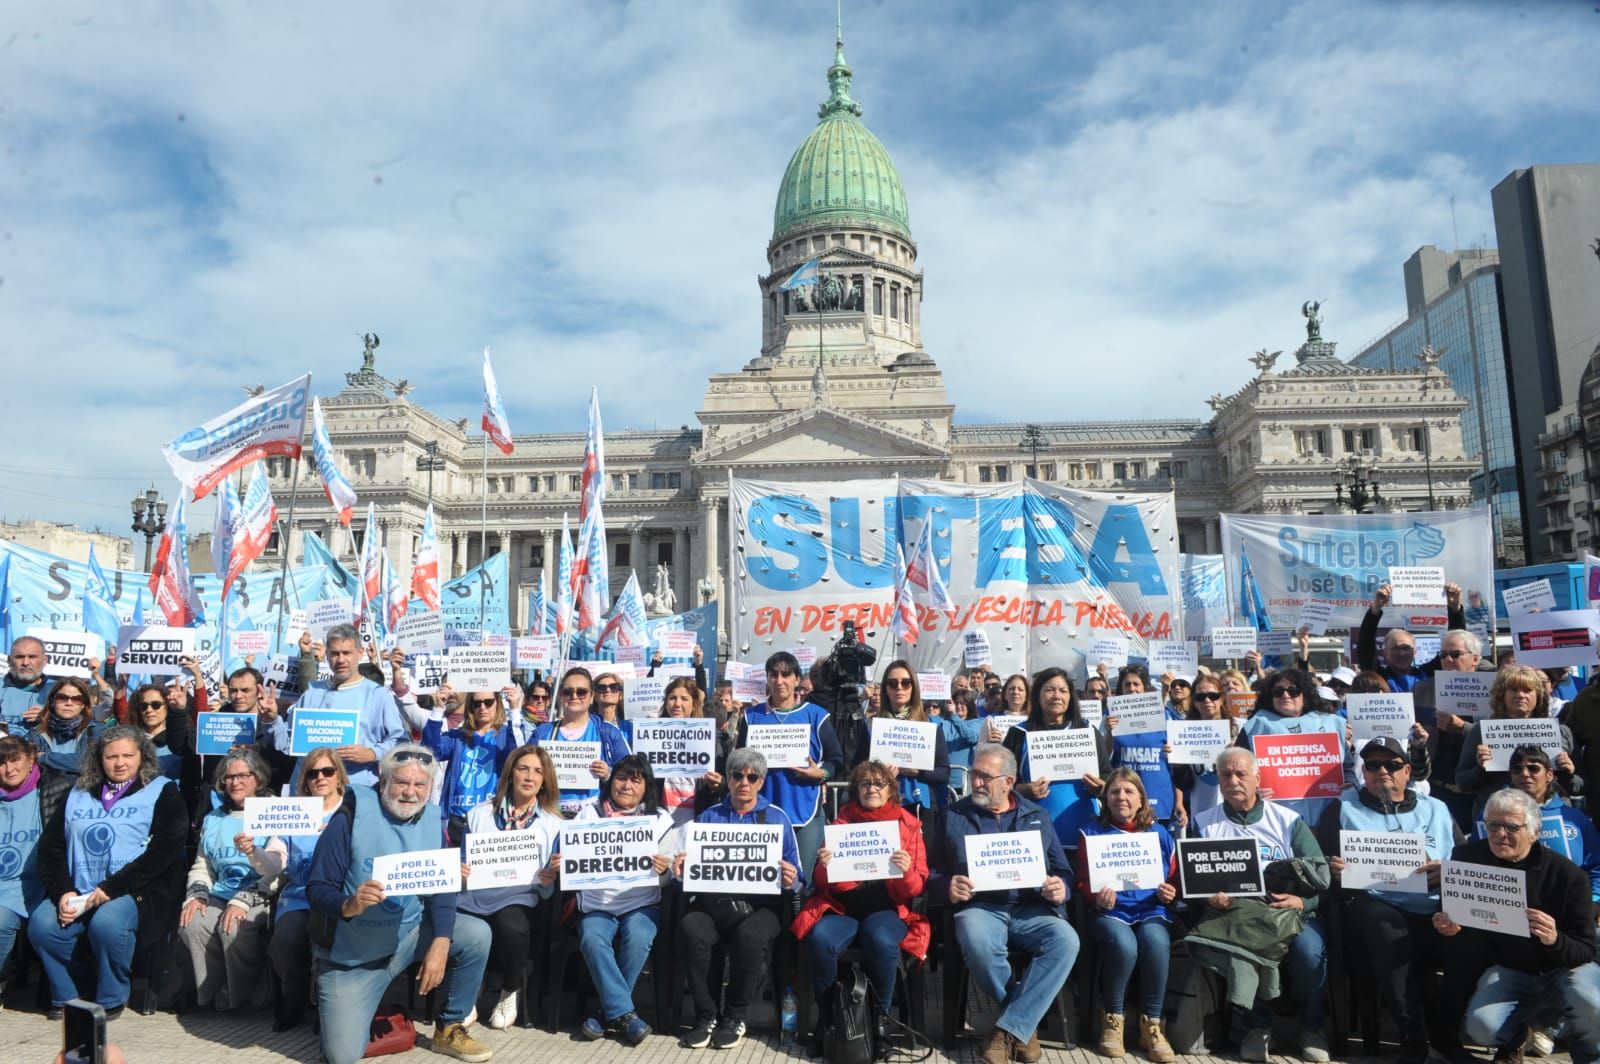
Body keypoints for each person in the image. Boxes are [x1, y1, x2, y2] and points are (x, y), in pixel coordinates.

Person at [306, 743, 493, 1064]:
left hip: (406, 936)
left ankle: (449, 1027)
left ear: (430, 787)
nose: (410, 792)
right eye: (402, 782)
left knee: (476, 934)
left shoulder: (434, 820)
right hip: (350, 957)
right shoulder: (349, 817)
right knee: (341, 1056)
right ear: (384, 780)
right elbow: (317, 887)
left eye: (420, 785)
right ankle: (340, 1011)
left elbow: (444, 889)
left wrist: (441, 942)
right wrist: (348, 905)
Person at [929, 742, 1078, 1064]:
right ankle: (1023, 1026)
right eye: (973, 775)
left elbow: (1063, 870)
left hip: (1032, 908)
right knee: (976, 939)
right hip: (980, 907)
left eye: (985, 776)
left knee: (1066, 940)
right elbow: (933, 870)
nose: (976, 782)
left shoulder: (1037, 815)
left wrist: (1060, 887)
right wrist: (946, 886)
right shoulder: (953, 815)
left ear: (1008, 782)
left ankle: (1006, 1031)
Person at [1315, 736, 1459, 1064]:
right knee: (1386, 925)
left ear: (1408, 771)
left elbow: (1466, 858)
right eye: (1373, 765)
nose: (1383, 771)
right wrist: (1332, 868)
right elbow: (1320, 864)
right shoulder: (1342, 808)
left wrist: (1448, 870)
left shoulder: (1436, 809)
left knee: (1469, 931)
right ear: (1363, 772)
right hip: (1373, 904)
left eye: (1392, 765)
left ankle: (1448, 1034)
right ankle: (1412, 1035)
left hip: (1434, 903)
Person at [28, 726, 188, 1017]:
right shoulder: (76, 792)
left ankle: (111, 995)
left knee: (108, 923)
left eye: (128, 755)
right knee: (43, 925)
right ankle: (72, 993)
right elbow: (51, 847)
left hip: (134, 890)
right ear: (98, 759)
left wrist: (111, 888)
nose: (120, 763)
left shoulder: (162, 789)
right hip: (78, 887)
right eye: (111, 756)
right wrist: (63, 890)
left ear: (142, 756)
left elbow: (165, 849)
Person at [1432, 787, 1600, 1063]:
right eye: (1493, 825)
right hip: (1508, 970)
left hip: (1562, 968)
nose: (1499, 834)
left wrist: (1554, 939)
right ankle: (1518, 1036)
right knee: (1482, 1028)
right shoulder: (1467, 858)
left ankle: (1590, 1056)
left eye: (1511, 826)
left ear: (1534, 832)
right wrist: (1446, 924)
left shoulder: (1568, 876)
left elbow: (1585, 950)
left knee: (1591, 1001)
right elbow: (1451, 912)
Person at [1187, 747, 1331, 1062]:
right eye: (1226, 774)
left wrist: (1302, 902)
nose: (1233, 780)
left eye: (1241, 773)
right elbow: (1193, 883)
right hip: (1237, 914)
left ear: (1257, 778)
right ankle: (1257, 1028)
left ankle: (1312, 1028)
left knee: (1310, 953)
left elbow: (1322, 877)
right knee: (1243, 948)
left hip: (1289, 912)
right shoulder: (1203, 823)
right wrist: (1208, 896)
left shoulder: (1288, 821)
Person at [792, 759, 929, 1048]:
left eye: (879, 783)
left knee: (879, 939)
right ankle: (829, 1020)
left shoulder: (908, 824)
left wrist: (905, 871)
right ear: (856, 789)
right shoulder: (841, 823)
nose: (872, 789)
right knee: (819, 938)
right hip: (843, 908)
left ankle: (880, 1023)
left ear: (890, 790)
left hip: (888, 909)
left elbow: (917, 887)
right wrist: (824, 866)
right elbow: (822, 884)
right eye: (865, 783)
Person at [674, 747, 803, 1051]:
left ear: (761, 782)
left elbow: (799, 876)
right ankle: (706, 1016)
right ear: (728, 780)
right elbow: (689, 874)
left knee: (750, 935)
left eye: (752, 776)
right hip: (715, 903)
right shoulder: (709, 817)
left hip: (761, 907)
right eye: (737, 775)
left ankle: (734, 1016)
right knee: (693, 927)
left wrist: (791, 878)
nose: (744, 782)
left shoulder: (776, 818)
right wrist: (681, 871)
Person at [569, 754, 676, 1044]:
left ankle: (607, 1013)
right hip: (597, 905)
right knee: (592, 937)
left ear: (646, 787)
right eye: (621, 778)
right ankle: (624, 1014)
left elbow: (668, 878)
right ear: (610, 781)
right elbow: (570, 863)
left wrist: (663, 870)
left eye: (635, 780)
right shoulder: (588, 814)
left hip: (641, 903)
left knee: (639, 936)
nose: (626, 786)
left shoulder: (661, 820)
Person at [455, 744, 563, 1031]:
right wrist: (461, 870)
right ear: (510, 773)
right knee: (462, 926)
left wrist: (548, 881)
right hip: (474, 897)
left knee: (510, 924)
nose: (529, 776)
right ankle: (467, 993)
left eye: (538, 771)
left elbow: (549, 891)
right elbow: (462, 859)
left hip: (521, 898)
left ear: (545, 780)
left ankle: (510, 989)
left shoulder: (554, 825)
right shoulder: (479, 814)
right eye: (523, 768)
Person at [1076, 768, 1177, 1063]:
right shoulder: (1091, 833)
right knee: (1124, 945)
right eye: (1115, 792)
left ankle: (1152, 1025)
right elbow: (1082, 880)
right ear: (1105, 798)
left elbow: (1174, 877)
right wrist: (1096, 896)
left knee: (1156, 942)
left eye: (1129, 792)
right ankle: (1113, 1018)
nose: (1122, 797)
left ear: (1141, 799)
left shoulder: (1159, 833)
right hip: (1110, 912)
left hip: (1151, 910)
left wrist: (1171, 891)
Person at [179, 749, 285, 1010]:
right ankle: (212, 991)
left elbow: (279, 870)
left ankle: (245, 995)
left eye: (243, 776)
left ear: (258, 779)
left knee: (233, 926)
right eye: (229, 777)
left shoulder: (275, 812)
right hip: (219, 891)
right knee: (192, 923)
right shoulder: (214, 818)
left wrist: (244, 900)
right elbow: (202, 864)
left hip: (261, 891)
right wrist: (197, 894)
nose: (235, 782)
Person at [735, 650, 843, 878]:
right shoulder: (751, 716)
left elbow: (837, 759)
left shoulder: (816, 715)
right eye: (773, 674)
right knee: (766, 879)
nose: (779, 681)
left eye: (786, 674)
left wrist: (821, 773)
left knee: (802, 881)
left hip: (805, 811)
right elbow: (738, 760)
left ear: (797, 679)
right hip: (762, 811)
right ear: (767, 678)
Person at [262, 624, 407, 788]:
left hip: (354, 790)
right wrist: (271, 720)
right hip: (309, 791)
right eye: (334, 654)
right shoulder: (312, 693)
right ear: (327, 655)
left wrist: (372, 753)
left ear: (360, 653)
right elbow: (286, 744)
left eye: (346, 653)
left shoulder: (377, 695)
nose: (340, 660)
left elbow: (400, 741)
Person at [266, 745, 347, 1031]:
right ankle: (296, 999)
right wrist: (255, 852)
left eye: (327, 771)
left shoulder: (352, 812)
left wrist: (336, 835)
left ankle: (328, 1006)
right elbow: (275, 861)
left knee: (334, 938)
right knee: (287, 940)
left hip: (340, 896)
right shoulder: (293, 811)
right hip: (300, 895)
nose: (320, 778)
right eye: (312, 773)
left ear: (339, 776)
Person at [1000, 667, 1110, 847]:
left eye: (1063, 690)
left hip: (1085, 830)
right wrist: (1022, 790)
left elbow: (1107, 775)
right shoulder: (1019, 733)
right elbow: (1001, 781)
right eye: (1050, 689)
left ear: (1071, 697)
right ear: (1037, 695)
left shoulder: (1088, 731)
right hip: (1033, 833)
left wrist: (1101, 787)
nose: (1057, 696)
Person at [1457, 666, 1578, 820]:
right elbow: (1463, 783)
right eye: (1513, 690)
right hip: (1499, 818)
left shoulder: (1561, 732)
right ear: (1502, 695)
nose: (1520, 695)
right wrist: (1480, 768)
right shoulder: (1480, 732)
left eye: (1527, 690)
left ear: (1539, 695)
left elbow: (1581, 786)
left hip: (1550, 816)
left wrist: (1569, 773)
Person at [1235, 667, 1349, 823]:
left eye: (1293, 691)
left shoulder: (1330, 722)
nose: (1285, 695)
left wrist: (1349, 784)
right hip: (1275, 817)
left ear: (1305, 695)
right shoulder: (1255, 725)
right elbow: (1239, 771)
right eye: (1278, 691)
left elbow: (1348, 766)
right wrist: (1252, 792)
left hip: (1327, 816)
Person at [422, 690, 518, 843]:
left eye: (488, 702)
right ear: (470, 706)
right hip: (457, 818)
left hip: (492, 818)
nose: (482, 707)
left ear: (498, 704)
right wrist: (439, 707)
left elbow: (519, 755)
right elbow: (429, 751)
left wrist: (514, 710)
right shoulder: (458, 736)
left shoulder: (506, 735)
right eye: (476, 703)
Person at [852, 661, 950, 812]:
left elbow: (944, 773)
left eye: (905, 683)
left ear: (914, 688)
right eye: (892, 683)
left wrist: (918, 772)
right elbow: (856, 768)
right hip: (881, 805)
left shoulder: (931, 726)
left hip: (921, 806)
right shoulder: (871, 726)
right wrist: (878, 772)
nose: (899, 688)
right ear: (885, 689)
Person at [1410, 629, 1485, 825]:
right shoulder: (1423, 690)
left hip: (1479, 791)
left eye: (1455, 654)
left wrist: (1464, 728)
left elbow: (1499, 738)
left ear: (1475, 659)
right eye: (1443, 655)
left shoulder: (1494, 690)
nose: (1447, 660)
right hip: (1437, 790)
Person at [533, 667, 632, 814]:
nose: (574, 696)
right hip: (550, 813)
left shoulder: (609, 733)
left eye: (581, 692)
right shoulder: (543, 733)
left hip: (593, 817)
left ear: (592, 697)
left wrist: (609, 773)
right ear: (560, 696)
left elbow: (631, 776)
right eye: (568, 692)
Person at [1107, 664, 1185, 829]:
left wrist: (1179, 801)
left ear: (1144, 687)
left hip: (1160, 800)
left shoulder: (1166, 716)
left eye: (1136, 684)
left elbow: (1177, 765)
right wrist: (1108, 732)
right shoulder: (1110, 718)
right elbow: (1105, 759)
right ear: (1121, 688)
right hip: (1124, 803)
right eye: (1127, 684)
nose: (1132, 688)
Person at [1355, 580, 1467, 691]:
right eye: (1395, 649)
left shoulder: (1430, 674)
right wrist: (1375, 609)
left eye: (1406, 648)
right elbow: (1365, 649)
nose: (1402, 653)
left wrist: (1455, 609)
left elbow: (1456, 642)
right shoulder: (1378, 678)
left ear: (1415, 652)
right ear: (1386, 653)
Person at [653, 676, 726, 825]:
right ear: (666, 703)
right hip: (661, 821)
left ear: (694, 704)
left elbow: (726, 782)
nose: (677, 704)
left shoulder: (711, 740)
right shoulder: (651, 737)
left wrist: (719, 784)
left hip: (697, 820)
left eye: (684, 699)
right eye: (672, 698)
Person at [0, 736, 44, 978]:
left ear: (30, 760)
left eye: (15, 760)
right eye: (2, 763)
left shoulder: (47, 794)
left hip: (28, 886)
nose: (9, 769)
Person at [1172, 674, 1239, 820]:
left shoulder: (1239, 728)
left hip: (1235, 810)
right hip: (1203, 813)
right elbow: (1184, 784)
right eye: (1200, 697)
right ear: (1194, 702)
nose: (1207, 701)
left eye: (1213, 696)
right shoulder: (1184, 733)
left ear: (1221, 698)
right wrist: (1178, 764)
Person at [28, 677, 103, 782]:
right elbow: (25, 760)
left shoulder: (95, 731)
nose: (69, 703)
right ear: (52, 701)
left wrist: (45, 758)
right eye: (62, 697)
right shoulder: (37, 733)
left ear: (83, 705)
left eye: (77, 699)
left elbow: (91, 762)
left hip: (81, 792)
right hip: (44, 793)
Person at [1, 636, 49, 729]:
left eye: (32, 657)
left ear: (44, 660)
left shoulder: (60, 690)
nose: (25, 663)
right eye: (19, 657)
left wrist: (50, 716)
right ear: (9, 660)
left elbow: (82, 722)